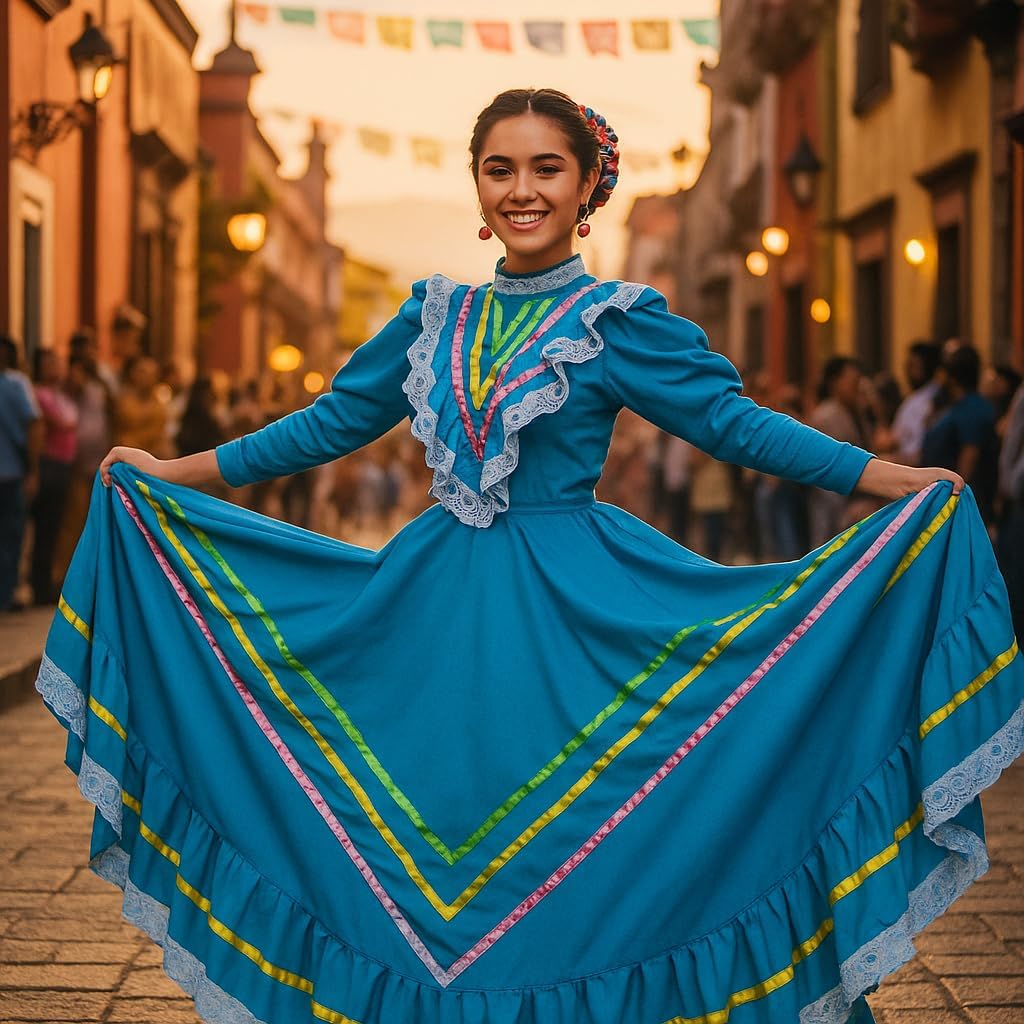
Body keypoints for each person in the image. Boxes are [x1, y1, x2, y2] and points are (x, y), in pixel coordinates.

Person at [35, 89, 1021, 1024]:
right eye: (499, 168)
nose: (521, 190)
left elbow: (730, 423)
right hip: (428, 608)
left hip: (577, 612)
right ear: (474, 185)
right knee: (429, 814)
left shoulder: (618, 322)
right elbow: (329, 422)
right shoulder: (431, 319)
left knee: (582, 838)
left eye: (547, 169)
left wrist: (884, 478)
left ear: (590, 186)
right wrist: (175, 471)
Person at [921, 342, 1000, 525]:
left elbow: (968, 459)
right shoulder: (951, 407)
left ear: (952, 376)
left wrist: (952, 500)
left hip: (957, 507)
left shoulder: (973, 410)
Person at [29, 347, 78, 605]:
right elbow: (65, 421)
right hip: (48, 466)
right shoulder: (40, 394)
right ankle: (39, 586)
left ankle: (48, 581)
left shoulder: (62, 393)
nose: (56, 368)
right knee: (44, 526)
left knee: (56, 526)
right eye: (49, 363)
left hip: (64, 467)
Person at [0, 335, 41, 611]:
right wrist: (34, 469)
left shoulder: (15, 384)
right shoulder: (16, 384)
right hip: (11, 473)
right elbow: (34, 425)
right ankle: (5, 593)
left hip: (11, 472)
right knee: (11, 536)